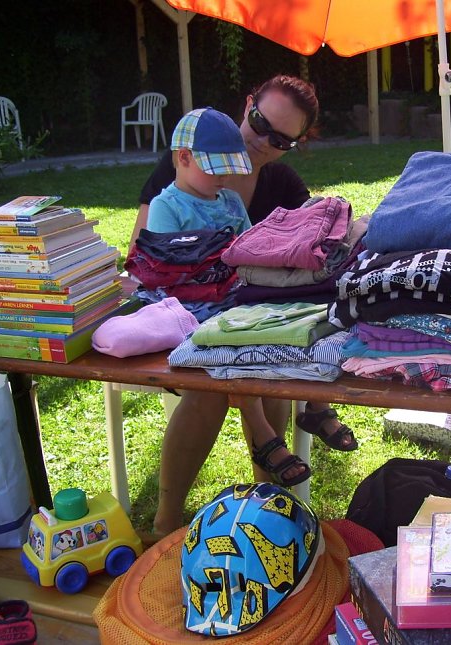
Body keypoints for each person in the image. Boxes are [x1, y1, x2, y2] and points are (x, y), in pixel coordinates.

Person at [135, 76, 357, 535]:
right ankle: (170, 517)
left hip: (236, 304)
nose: (261, 141)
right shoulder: (190, 157)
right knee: (213, 384)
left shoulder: (273, 182)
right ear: (248, 105)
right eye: (259, 123)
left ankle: (270, 512)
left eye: (279, 139)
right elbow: (147, 253)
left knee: (270, 355)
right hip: (183, 309)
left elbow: (296, 243)